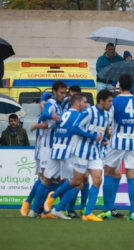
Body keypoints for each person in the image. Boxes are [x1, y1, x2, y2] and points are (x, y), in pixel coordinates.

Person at [44, 90, 114, 222]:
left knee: (98, 180)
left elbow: (101, 130)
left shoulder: (106, 115)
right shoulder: (88, 112)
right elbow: (75, 128)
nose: (111, 104)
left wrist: (104, 138)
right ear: (101, 101)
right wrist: (92, 136)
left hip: (95, 152)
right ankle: (54, 197)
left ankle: (87, 213)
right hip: (81, 151)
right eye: (109, 101)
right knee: (76, 182)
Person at [99, 74, 134, 221]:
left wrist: (107, 136)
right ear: (132, 85)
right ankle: (132, 212)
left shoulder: (114, 102)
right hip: (133, 141)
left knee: (108, 173)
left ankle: (107, 210)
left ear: (119, 85)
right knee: (131, 177)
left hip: (117, 141)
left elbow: (107, 123)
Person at [27, 80, 67, 219]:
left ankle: (40, 208)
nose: (63, 95)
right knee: (46, 179)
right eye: (61, 92)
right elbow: (44, 116)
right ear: (54, 92)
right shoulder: (51, 104)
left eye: (64, 92)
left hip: (55, 148)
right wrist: (51, 116)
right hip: (47, 148)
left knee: (55, 180)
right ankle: (35, 209)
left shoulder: (60, 104)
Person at [46, 93, 88, 219]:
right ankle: (59, 207)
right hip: (70, 153)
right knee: (78, 183)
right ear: (77, 103)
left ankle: (55, 208)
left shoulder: (62, 114)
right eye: (84, 102)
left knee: (64, 182)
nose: (85, 105)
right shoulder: (79, 116)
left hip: (57, 150)